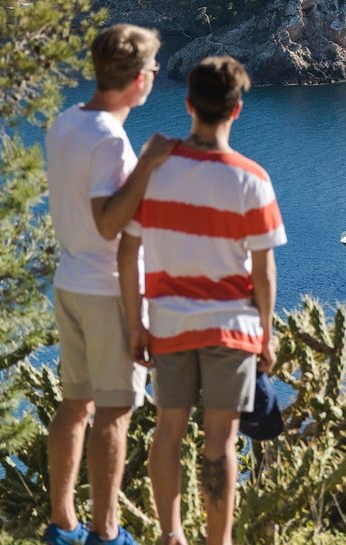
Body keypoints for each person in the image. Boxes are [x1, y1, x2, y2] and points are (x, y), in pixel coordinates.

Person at [117, 55, 286, 545]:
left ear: (188, 104)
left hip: (168, 324)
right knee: (220, 441)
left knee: (168, 430)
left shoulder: (156, 173)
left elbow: (128, 251)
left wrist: (136, 324)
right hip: (231, 328)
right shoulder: (252, 179)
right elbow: (264, 272)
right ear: (236, 111)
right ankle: (218, 541)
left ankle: (171, 534)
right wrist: (266, 336)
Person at [43, 24, 177, 545]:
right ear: (138, 79)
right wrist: (146, 164)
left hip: (70, 282)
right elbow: (107, 223)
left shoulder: (65, 123)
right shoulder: (110, 141)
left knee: (74, 404)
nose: (156, 76)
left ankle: (62, 525)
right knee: (114, 414)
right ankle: (106, 533)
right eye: (153, 69)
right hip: (104, 291)